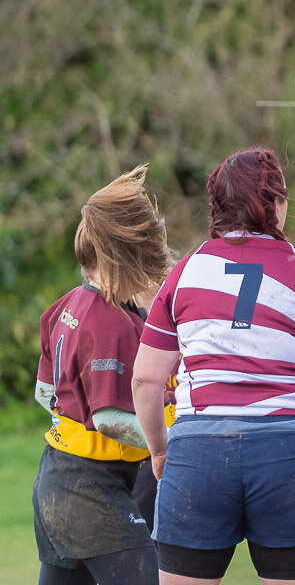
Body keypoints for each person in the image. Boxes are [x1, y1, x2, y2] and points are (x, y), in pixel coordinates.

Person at [131, 148, 295, 585]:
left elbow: (146, 378)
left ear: (217, 207)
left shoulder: (185, 272)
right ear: (276, 204)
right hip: (290, 455)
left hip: (199, 454)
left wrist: (161, 450)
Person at [33, 165, 171, 585]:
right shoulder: (110, 323)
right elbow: (109, 418)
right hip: (92, 490)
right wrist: (169, 434)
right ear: (127, 251)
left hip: (54, 480)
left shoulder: (65, 305)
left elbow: (44, 393)